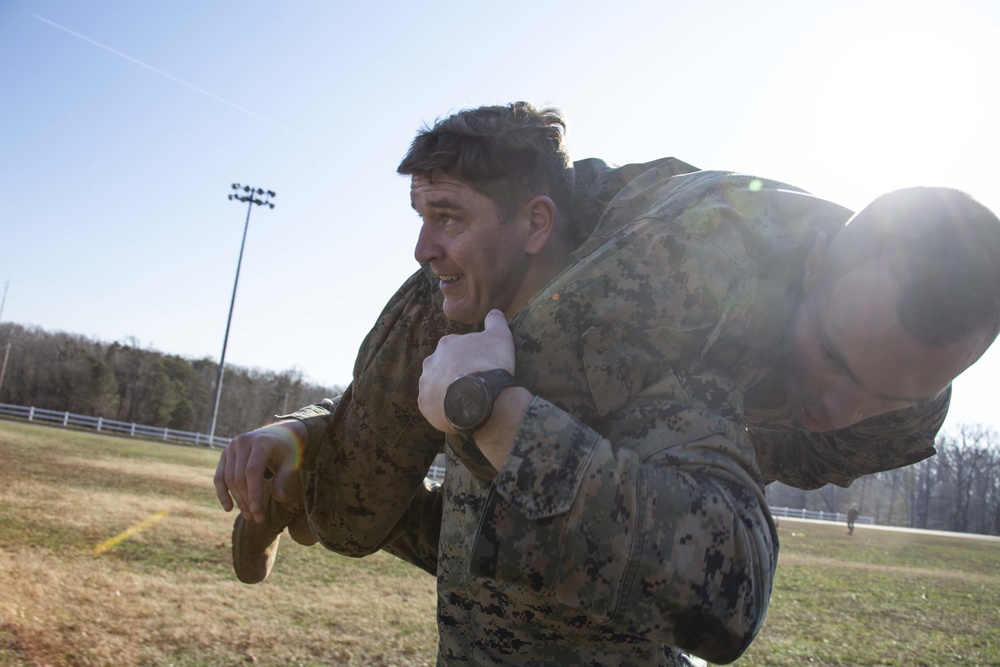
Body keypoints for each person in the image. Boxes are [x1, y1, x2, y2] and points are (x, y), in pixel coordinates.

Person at [215, 103, 1000, 664]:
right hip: (554, 270)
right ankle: (308, 476)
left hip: (696, 404)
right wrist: (325, 431)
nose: (840, 406)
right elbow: (475, 396)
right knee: (360, 510)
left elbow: (721, 575)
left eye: (889, 393)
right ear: (814, 267)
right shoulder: (657, 289)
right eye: (834, 354)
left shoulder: (900, 415)